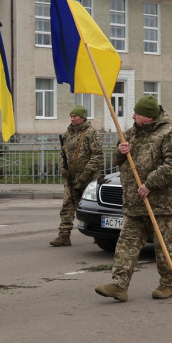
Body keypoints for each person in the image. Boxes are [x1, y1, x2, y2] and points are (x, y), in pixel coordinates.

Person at [95, 96, 172, 301]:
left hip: (159, 203)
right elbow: (117, 160)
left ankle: (168, 283)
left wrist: (149, 184)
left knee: (163, 246)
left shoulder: (170, 134)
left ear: (149, 117)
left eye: (137, 113)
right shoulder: (129, 134)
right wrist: (120, 151)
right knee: (126, 244)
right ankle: (119, 285)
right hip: (134, 202)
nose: (133, 116)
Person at [50, 105, 104, 247]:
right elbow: (64, 155)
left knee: (93, 208)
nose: (72, 119)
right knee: (67, 206)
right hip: (71, 179)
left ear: (82, 118)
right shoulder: (68, 134)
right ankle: (64, 236)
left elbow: (97, 156)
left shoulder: (91, 133)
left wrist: (85, 175)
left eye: (75, 116)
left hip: (88, 179)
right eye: (71, 116)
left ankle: (100, 235)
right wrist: (63, 169)